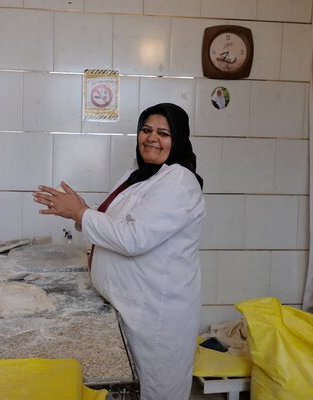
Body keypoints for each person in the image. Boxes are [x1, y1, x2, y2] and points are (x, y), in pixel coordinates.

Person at [33, 103, 206, 400]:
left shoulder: (179, 181)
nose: (151, 138)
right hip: (130, 308)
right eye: (146, 129)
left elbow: (133, 238)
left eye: (163, 133)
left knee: (156, 390)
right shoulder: (138, 175)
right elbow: (113, 224)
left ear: (178, 139)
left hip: (155, 317)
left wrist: (81, 213)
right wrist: (77, 213)